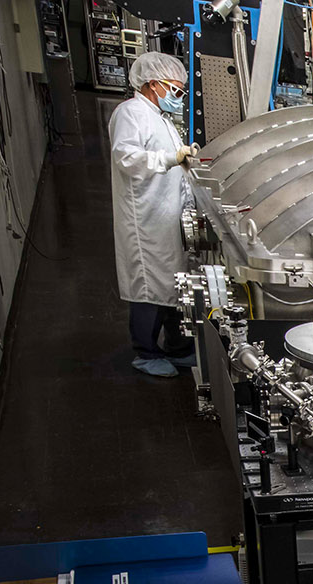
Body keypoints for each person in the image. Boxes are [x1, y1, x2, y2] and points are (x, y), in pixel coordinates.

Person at [109, 52, 200, 379]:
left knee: (174, 284)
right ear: (151, 84)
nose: (178, 96)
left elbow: (173, 163)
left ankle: (177, 348)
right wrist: (170, 158)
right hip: (145, 219)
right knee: (148, 287)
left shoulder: (160, 117)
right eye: (174, 89)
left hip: (166, 215)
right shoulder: (130, 113)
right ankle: (145, 352)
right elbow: (127, 157)